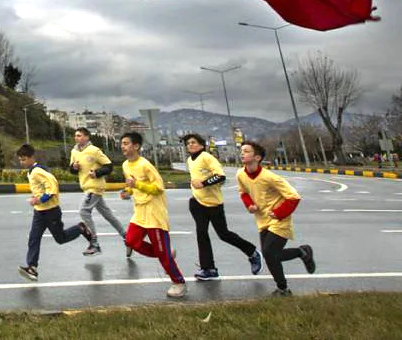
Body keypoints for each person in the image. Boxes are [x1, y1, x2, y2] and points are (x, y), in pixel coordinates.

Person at [237, 141, 316, 296]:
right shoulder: (241, 174)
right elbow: (243, 192)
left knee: (269, 253)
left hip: (280, 220)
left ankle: (284, 287)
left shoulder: (270, 177)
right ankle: (300, 257)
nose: (242, 154)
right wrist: (249, 205)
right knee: (270, 256)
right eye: (242, 151)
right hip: (262, 221)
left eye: (246, 151)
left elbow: (294, 197)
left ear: (257, 157)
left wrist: (279, 212)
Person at [183, 133, 262, 281]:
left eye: (193, 142)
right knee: (201, 234)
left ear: (201, 145)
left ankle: (252, 252)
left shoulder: (207, 157)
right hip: (197, 202)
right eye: (188, 143)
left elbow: (220, 176)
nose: (190, 145)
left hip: (214, 204)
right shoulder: (189, 160)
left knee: (224, 234)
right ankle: (209, 269)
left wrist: (203, 183)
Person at [119, 132, 187, 298]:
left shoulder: (145, 165)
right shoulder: (125, 165)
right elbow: (132, 185)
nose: (122, 146)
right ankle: (166, 253)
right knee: (131, 241)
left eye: (126, 143)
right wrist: (127, 191)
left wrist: (137, 185)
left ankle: (179, 282)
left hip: (154, 212)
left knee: (162, 252)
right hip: (139, 212)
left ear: (136, 146)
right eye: (122, 143)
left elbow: (158, 188)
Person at [16, 143, 93, 281]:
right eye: (20, 160)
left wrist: (40, 200)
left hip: (51, 211)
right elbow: (42, 188)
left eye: (24, 159)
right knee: (34, 238)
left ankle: (80, 228)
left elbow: (52, 187)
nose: (22, 162)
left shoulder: (37, 171)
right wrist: (36, 199)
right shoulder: (32, 171)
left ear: (32, 157)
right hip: (39, 212)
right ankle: (32, 267)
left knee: (60, 238)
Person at [69, 127, 126, 256]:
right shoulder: (74, 151)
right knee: (108, 215)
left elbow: (109, 166)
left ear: (87, 137)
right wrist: (74, 167)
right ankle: (126, 237)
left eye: (79, 135)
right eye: (76, 135)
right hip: (86, 186)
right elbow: (71, 169)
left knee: (84, 211)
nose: (76, 138)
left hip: (95, 186)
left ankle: (94, 243)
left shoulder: (94, 150)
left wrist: (97, 173)